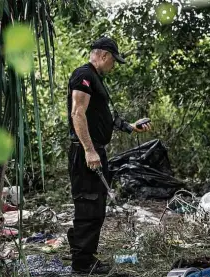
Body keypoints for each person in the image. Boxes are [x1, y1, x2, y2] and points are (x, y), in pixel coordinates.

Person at [66, 37, 152, 274]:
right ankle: (82, 265)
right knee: (88, 205)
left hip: (96, 152)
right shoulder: (82, 75)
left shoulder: (96, 79)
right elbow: (78, 113)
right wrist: (89, 149)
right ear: (104, 55)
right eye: (113, 61)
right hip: (85, 153)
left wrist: (132, 127)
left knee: (97, 205)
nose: (113, 66)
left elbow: (106, 116)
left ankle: (83, 254)